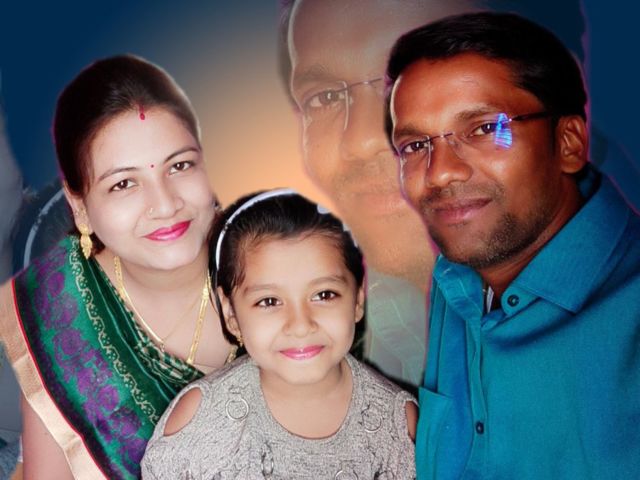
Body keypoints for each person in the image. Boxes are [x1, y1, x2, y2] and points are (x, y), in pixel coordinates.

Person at [386, 11, 640, 478]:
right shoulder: (454, 278)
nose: (440, 173)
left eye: (484, 129)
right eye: (416, 146)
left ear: (568, 143)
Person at [0, 55, 236, 479]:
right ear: (80, 208)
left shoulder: (275, 260)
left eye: (180, 165)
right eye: (124, 183)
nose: (165, 204)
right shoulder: (57, 310)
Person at [141, 190, 418, 479]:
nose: (300, 325)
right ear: (231, 312)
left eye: (324, 295)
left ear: (357, 299)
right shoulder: (200, 422)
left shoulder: (399, 425)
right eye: (269, 301)